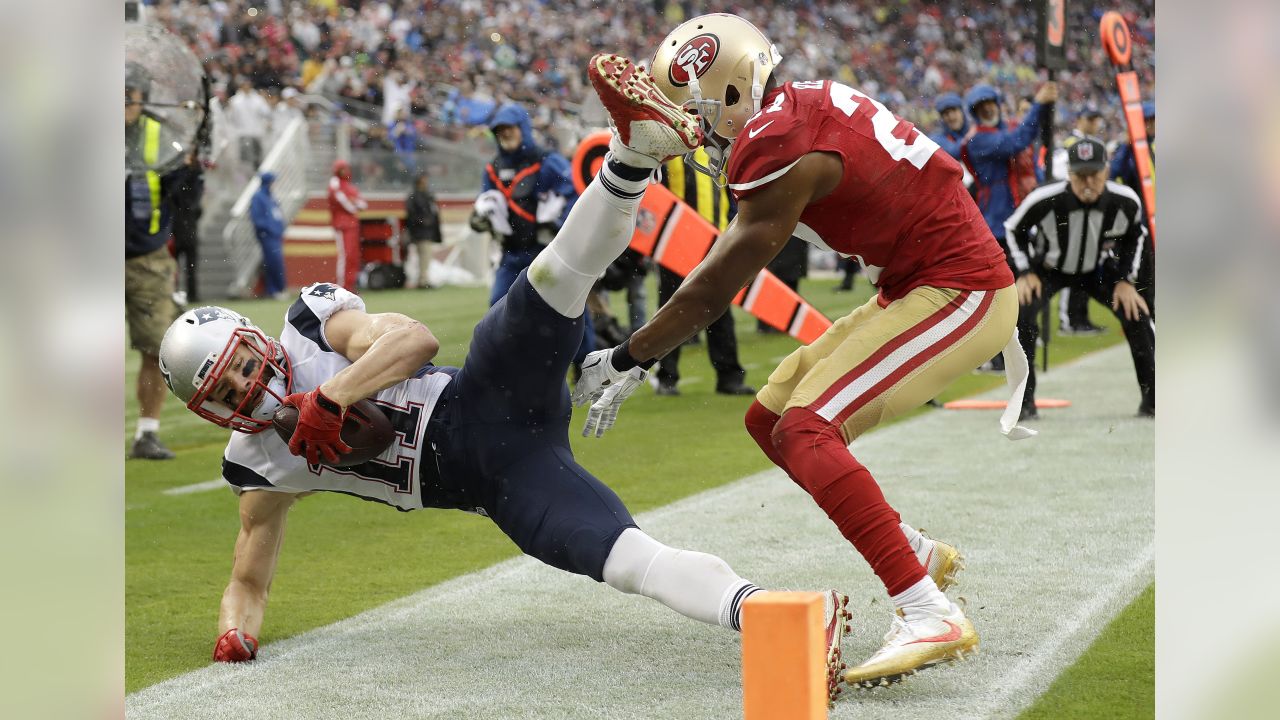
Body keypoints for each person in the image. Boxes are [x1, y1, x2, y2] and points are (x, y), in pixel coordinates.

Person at [154, 132, 858, 700]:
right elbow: (248, 580)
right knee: (621, 559)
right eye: (226, 388)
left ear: (254, 339)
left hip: (487, 392)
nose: (246, 385)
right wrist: (235, 635)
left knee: (550, 280)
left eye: (243, 362)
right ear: (207, 408)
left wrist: (333, 396)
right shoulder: (256, 463)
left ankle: (633, 156)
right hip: (501, 482)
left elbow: (413, 341)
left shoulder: (311, 326)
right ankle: (779, 615)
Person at [574, 21, 1035, 690]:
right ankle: (916, 554)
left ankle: (923, 608)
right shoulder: (794, 108)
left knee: (807, 429)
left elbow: (717, 285)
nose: (693, 130)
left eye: (696, 110)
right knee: (771, 419)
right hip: (916, 282)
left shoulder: (776, 141)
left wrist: (629, 354)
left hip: (959, 288)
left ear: (732, 91)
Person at [1005, 139, 1155, 418]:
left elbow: (1137, 235)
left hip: (1096, 270)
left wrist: (1125, 280)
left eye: (1094, 175)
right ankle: (1024, 404)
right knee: (1021, 318)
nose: (1088, 182)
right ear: (1069, 174)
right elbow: (1014, 229)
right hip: (1049, 269)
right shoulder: (1045, 198)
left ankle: (1153, 401)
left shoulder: (1124, 201)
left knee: (1137, 316)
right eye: (1080, 176)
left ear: (1106, 172)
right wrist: (1025, 272)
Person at [470, 102, 593, 364]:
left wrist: (559, 223)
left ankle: (585, 362)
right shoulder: (492, 169)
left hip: (548, 251)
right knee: (499, 306)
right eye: (499, 131)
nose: (505, 135)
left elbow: (576, 196)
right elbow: (486, 199)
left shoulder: (547, 161)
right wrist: (480, 216)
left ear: (522, 129)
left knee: (569, 306)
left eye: (509, 128)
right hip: (512, 252)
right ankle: (509, 367)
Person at [960, 81, 1058, 373]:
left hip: (1016, 223)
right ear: (976, 113)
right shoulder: (980, 139)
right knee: (1003, 294)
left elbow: (1025, 151)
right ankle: (996, 354)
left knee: (1016, 293)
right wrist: (1039, 106)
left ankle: (1013, 348)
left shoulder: (999, 132)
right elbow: (1017, 143)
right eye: (981, 107)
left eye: (990, 103)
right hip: (998, 225)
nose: (987, 109)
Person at [654, 147, 754, 396]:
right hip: (676, 244)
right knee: (671, 309)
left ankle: (729, 377)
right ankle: (667, 377)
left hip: (715, 244)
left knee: (719, 310)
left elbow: (732, 202)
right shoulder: (670, 155)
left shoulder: (717, 154)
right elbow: (656, 199)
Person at [125, 61, 179, 460]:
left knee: (156, 345)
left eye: (130, 92)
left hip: (147, 256)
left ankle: (147, 433)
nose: (124, 100)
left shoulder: (162, 135)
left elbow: (182, 193)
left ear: (143, 97)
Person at [1050, 105, 1108, 336]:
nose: (1094, 123)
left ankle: (1081, 318)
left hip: (1088, 210)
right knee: (1072, 263)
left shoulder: (1091, 143)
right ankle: (1069, 320)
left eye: (1096, 118)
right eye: (1090, 118)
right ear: (1080, 119)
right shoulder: (1069, 145)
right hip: (1070, 210)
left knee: (1085, 265)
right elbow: (1057, 173)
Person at [1110, 101, 1155, 313]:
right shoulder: (1130, 149)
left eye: (1154, 120)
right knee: (1144, 270)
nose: (1152, 125)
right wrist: (1128, 146)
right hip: (1142, 219)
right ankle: (1145, 310)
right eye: (1148, 121)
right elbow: (1113, 174)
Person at [169, 152, 205, 304]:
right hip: (187, 231)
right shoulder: (193, 192)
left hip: (177, 232)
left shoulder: (176, 186)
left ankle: (175, 294)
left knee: (174, 268)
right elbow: (198, 209)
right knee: (190, 268)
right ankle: (191, 295)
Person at [327, 159, 367, 290]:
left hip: (352, 225)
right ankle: (341, 287)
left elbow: (363, 204)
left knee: (353, 256)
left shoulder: (350, 186)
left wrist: (354, 203)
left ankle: (350, 285)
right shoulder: (335, 183)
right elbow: (342, 200)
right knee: (345, 256)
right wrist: (353, 206)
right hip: (342, 226)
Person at [250, 171, 288, 300]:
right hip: (267, 236)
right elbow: (257, 219)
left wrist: (279, 229)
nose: (274, 184)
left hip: (275, 236)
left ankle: (279, 289)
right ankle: (274, 290)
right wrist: (270, 229)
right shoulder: (258, 197)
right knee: (273, 262)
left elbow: (277, 215)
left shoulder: (270, 197)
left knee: (277, 261)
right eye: (273, 182)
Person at [404, 173, 443, 288]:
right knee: (424, 256)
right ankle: (423, 280)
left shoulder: (427, 195)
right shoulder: (415, 196)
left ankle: (423, 279)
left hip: (426, 231)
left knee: (425, 256)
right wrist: (423, 222)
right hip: (421, 232)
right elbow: (412, 215)